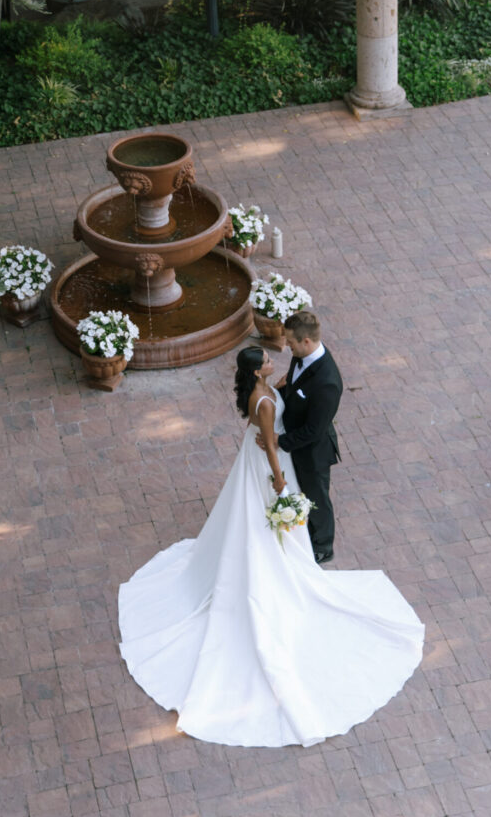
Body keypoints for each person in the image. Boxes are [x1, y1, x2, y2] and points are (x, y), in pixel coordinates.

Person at [117, 344, 425, 748]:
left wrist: (279, 387)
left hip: (257, 453)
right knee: (263, 521)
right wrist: (279, 481)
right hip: (267, 465)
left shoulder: (263, 390)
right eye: (265, 361)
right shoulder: (262, 402)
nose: (272, 360)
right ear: (256, 371)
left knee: (249, 521)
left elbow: (270, 401)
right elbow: (269, 441)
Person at [264, 308, 342, 563]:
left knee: (317, 498)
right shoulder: (302, 356)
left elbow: (314, 430)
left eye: (291, 342)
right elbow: (295, 384)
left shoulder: (327, 382)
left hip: (313, 452)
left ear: (306, 341)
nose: (287, 347)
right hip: (297, 440)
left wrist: (279, 441)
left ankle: (323, 546)